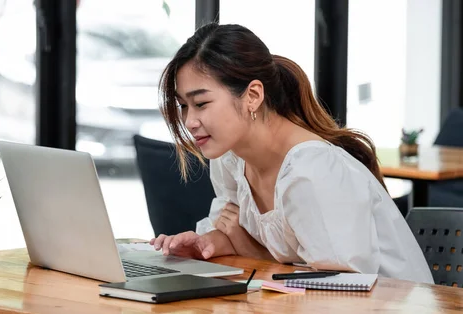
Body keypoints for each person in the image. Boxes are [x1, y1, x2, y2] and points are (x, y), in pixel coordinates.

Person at [150, 23, 433, 284]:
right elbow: (236, 238)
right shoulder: (230, 158)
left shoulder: (312, 170)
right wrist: (206, 244)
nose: (188, 121)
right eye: (184, 105)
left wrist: (245, 244)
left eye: (200, 103)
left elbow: (342, 289)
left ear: (253, 96)